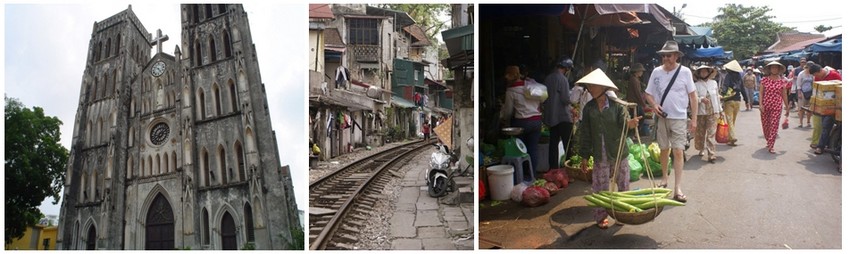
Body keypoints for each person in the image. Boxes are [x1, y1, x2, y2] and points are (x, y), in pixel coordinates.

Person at [577, 68, 642, 229]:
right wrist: (584, 156)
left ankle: (621, 214)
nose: (590, 89)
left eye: (593, 86)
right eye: (589, 86)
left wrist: (631, 124)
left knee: (623, 184)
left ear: (603, 88)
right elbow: (585, 133)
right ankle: (601, 216)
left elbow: (624, 123)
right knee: (600, 186)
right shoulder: (589, 108)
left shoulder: (617, 106)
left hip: (618, 151)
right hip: (600, 154)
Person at [643, 40, 697, 203]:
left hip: (679, 117)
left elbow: (693, 97)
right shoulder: (656, 72)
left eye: (669, 55)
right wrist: (654, 105)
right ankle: (664, 179)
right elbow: (648, 94)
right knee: (664, 149)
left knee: (678, 151)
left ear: (676, 56)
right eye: (664, 55)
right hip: (662, 118)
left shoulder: (685, 72)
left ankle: (677, 188)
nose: (666, 58)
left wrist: (693, 119)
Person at [500, 65, 543, 171]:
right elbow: (541, 101)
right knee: (533, 149)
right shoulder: (531, 86)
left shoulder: (511, 90)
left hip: (522, 123)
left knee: (521, 150)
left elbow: (508, 111)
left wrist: (504, 120)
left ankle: (523, 174)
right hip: (537, 121)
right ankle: (533, 174)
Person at [543, 57, 577, 171]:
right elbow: (565, 99)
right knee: (568, 144)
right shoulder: (562, 79)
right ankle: (570, 169)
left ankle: (553, 169)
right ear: (566, 68)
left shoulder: (548, 78)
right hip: (563, 117)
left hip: (551, 117)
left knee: (553, 144)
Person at [809, 63, 842, 155]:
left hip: (837, 106)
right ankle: (823, 145)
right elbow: (816, 92)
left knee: (827, 126)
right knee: (825, 126)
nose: (816, 77)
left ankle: (822, 146)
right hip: (824, 107)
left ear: (820, 71)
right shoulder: (817, 78)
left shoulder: (835, 75)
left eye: (816, 74)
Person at [758, 61, 791, 154]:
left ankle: (771, 144)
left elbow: (784, 95)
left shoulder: (782, 81)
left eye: (776, 68)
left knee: (774, 125)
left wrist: (787, 107)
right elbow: (761, 93)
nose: (774, 69)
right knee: (765, 126)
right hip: (765, 105)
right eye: (773, 68)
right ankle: (768, 140)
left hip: (776, 106)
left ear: (779, 69)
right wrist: (760, 104)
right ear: (769, 69)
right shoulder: (764, 80)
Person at [693, 65, 722, 163]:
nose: (704, 73)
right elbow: (693, 99)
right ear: (699, 74)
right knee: (700, 133)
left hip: (713, 112)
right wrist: (701, 99)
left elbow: (717, 97)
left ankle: (711, 154)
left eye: (706, 72)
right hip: (701, 113)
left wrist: (720, 110)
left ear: (709, 73)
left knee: (711, 134)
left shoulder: (714, 83)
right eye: (702, 72)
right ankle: (701, 148)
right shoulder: (696, 85)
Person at [720, 60, 744, 146]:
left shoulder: (728, 76)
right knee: (733, 121)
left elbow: (725, 86)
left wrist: (722, 95)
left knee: (729, 120)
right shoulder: (739, 77)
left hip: (729, 101)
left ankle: (733, 137)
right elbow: (742, 88)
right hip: (738, 101)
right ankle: (730, 139)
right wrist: (747, 100)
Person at [626, 63, 648, 137]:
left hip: (635, 102)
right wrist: (643, 104)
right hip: (634, 102)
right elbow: (638, 93)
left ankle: (634, 133)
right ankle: (634, 133)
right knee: (639, 117)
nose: (642, 73)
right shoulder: (634, 80)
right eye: (641, 71)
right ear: (637, 71)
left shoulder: (635, 79)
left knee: (636, 117)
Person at [796, 61, 814, 128]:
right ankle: (800, 123)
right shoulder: (801, 74)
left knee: (809, 108)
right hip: (802, 92)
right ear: (807, 67)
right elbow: (798, 84)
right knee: (801, 108)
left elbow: (813, 83)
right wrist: (799, 93)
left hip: (810, 92)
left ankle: (808, 122)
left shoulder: (812, 74)